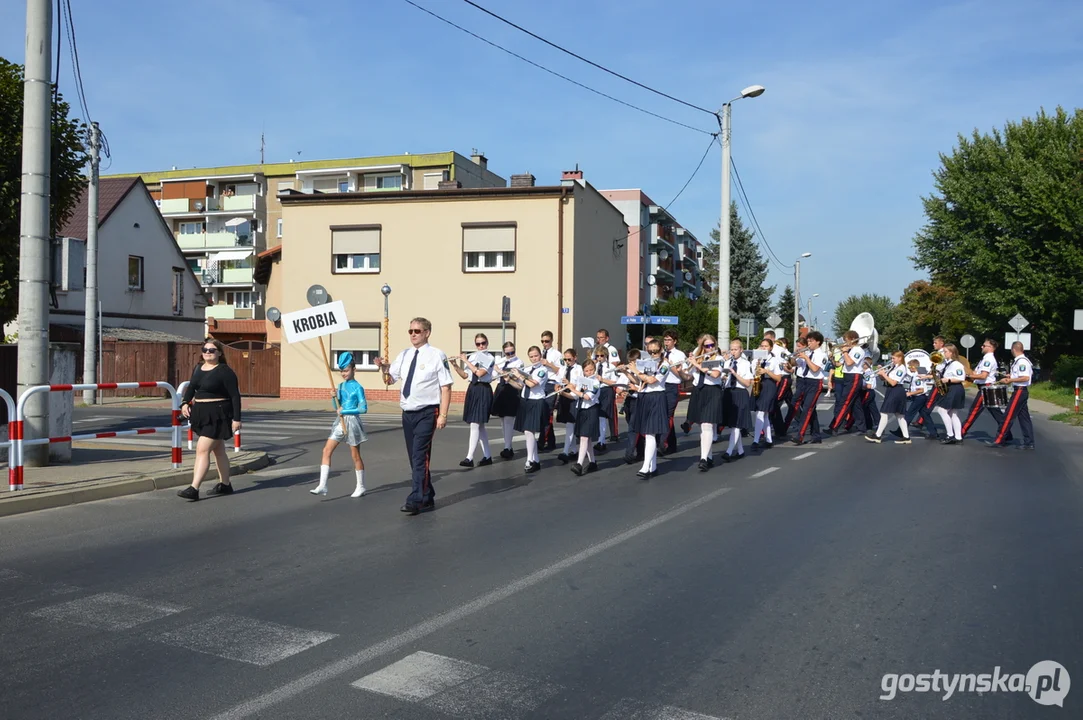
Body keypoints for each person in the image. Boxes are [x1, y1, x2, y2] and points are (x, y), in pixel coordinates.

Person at [378, 317, 453, 515]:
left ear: (427, 333)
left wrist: (443, 415)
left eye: (417, 331)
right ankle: (427, 494)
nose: (413, 334)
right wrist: (383, 368)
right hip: (408, 413)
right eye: (410, 331)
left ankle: (415, 499)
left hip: (427, 412)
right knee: (414, 458)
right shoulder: (404, 355)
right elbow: (390, 379)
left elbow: (446, 387)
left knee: (420, 456)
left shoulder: (437, 355)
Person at [177, 338, 242, 500]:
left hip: (218, 414)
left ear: (219, 353)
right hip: (201, 413)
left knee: (202, 449)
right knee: (218, 451)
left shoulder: (225, 371)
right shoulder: (198, 368)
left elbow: (235, 396)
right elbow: (191, 387)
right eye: (205, 349)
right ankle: (225, 485)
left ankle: (194, 488)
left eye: (212, 350)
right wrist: (184, 403)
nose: (207, 352)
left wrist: (236, 419)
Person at [311, 352, 369, 497]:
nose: (344, 373)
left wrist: (346, 410)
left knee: (355, 455)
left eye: (346, 370)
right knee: (326, 450)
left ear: (354, 370)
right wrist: (334, 397)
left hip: (353, 422)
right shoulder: (341, 386)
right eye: (342, 370)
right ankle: (323, 485)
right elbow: (337, 406)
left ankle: (360, 486)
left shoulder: (358, 388)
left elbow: (363, 408)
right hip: (340, 421)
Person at [627, 339, 671, 479]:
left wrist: (636, 371)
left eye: (655, 351)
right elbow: (639, 381)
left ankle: (646, 466)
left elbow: (652, 380)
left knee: (650, 432)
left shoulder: (664, 364)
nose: (653, 354)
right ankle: (653, 466)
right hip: (644, 397)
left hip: (656, 396)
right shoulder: (645, 363)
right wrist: (628, 372)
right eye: (650, 352)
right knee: (647, 432)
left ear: (661, 350)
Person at [453, 333, 496, 468]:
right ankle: (487, 456)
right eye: (478, 344)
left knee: (475, 424)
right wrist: (455, 365)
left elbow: (479, 373)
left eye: (483, 343)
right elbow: (466, 375)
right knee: (480, 425)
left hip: (483, 389)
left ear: (487, 343)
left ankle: (469, 457)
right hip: (473, 388)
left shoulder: (489, 357)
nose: (481, 346)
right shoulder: (473, 356)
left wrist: (465, 360)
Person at [683, 334, 725, 470]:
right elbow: (688, 376)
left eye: (712, 345)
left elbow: (715, 374)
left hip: (712, 391)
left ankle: (703, 458)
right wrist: (679, 370)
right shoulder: (699, 357)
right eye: (707, 346)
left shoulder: (719, 358)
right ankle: (709, 457)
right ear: (702, 347)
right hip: (699, 391)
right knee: (704, 426)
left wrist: (697, 364)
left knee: (707, 424)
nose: (710, 348)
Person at [961, 338, 1011, 441]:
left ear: (990, 347)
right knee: (996, 412)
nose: (982, 347)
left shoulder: (988, 359)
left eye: (984, 345)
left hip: (986, 389)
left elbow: (983, 376)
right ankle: (1007, 433)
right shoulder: (985, 359)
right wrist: (969, 374)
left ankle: (961, 432)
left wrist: (970, 376)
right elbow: (977, 373)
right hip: (987, 388)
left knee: (974, 411)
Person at [988, 342, 1034, 449]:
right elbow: (1020, 375)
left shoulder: (1022, 362)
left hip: (1019, 391)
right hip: (1021, 390)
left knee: (1008, 415)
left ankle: (999, 439)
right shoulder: (1020, 361)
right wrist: (1011, 376)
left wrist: (1010, 380)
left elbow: (1025, 377)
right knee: (1024, 418)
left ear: (1014, 349)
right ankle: (1029, 442)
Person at [513, 345, 550, 473]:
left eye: (536, 356)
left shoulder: (543, 370)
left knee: (529, 431)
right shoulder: (527, 369)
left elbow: (532, 384)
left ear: (540, 356)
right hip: (525, 401)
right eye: (531, 356)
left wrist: (520, 375)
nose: (534, 358)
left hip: (536, 401)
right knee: (528, 432)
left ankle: (529, 460)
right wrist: (509, 379)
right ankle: (536, 460)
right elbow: (521, 386)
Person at [566, 359, 601, 475]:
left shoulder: (596, 382)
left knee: (584, 437)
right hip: (581, 409)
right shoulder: (582, 381)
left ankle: (579, 463)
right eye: (586, 370)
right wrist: (565, 391)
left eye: (591, 370)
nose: (589, 372)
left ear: (594, 370)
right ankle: (592, 462)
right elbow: (575, 396)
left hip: (591, 410)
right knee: (587, 438)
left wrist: (574, 390)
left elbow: (587, 397)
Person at [866, 351, 911, 444]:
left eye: (894, 358)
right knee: (899, 415)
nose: (892, 360)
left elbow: (894, 382)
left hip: (896, 390)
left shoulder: (901, 368)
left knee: (884, 412)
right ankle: (906, 437)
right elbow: (886, 380)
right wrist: (881, 374)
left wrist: (884, 374)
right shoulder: (894, 367)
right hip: (891, 390)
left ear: (900, 358)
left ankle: (878, 435)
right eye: (891, 358)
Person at [790, 331, 826, 445]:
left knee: (807, 409)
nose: (809, 343)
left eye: (811, 341)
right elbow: (794, 364)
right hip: (803, 381)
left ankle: (800, 436)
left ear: (818, 342)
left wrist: (806, 358)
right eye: (808, 341)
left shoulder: (821, 355)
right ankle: (816, 435)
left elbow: (815, 369)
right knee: (800, 405)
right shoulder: (807, 353)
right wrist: (793, 357)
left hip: (814, 383)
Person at [828, 331, 867, 435]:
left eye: (846, 340)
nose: (845, 342)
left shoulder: (858, 350)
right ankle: (862, 427)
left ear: (852, 339)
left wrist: (845, 352)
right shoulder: (850, 350)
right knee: (855, 404)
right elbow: (839, 364)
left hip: (854, 377)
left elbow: (850, 362)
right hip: (847, 376)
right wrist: (832, 357)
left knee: (844, 402)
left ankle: (834, 426)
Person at [490, 342, 523, 459]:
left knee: (509, 419)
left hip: (512, 390)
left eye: (512, 352)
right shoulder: (501, 361)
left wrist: (500, 371)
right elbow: (493, 375)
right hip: (501, 389)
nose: (510, 355)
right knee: (502, 419)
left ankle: (508, 447)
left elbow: (515, 376)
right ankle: (506, 445)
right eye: (508, 353)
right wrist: (496, 370)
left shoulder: (519, 362)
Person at [722, 339, 753, 460]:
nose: (733, 352)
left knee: (737, 424)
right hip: (729, 393)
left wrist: (734, 374)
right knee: (734, 424)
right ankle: (740, 450)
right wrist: (724, 376)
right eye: (732, 349)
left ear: (741, 350)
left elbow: (747, 383)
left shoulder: (745, 364)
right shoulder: (727, 362)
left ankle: (729, 451)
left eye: (735, 349)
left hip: (740, 393)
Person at [751, 338, 784, 449]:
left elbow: (779, 378)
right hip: (758, 384)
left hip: (769, 385)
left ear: (770, 348)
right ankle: (769, 439)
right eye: (762, 346)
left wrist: (767, 371)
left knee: (761, 412)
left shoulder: (774, 360)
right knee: (763, 414)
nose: (764, 348)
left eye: (766, 346)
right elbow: (753, 372)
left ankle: (755, 440)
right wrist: (756, 364)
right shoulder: (756, 359)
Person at [933, 344, 967, 445]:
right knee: (953, 413)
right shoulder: (947, 363)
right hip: (950, 388)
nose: (943, 354)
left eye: (945, 352)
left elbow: (961, 378)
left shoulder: (957, 364)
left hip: (954, 388)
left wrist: (947, 379)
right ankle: (958, 437)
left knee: (942, 410)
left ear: (951, 353)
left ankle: (950, 435)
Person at [660, 330, 686, 454]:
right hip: (662, 385)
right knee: (662, 414)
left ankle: (663, 442)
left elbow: (681, 375)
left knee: (668, 415)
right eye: (665, 340)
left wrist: (669, 364)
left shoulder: (679, 355)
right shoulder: (662, 353)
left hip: (673, 386)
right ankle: (672, 444)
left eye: (669, 340)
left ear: (674, 341)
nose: (666, 342)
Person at [594, 328, 622, 444]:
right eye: (598, 338)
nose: (599, 340)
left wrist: (604, 375)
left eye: (601, 338)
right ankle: (600, 438)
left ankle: (614, 433)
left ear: (607, 338)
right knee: (599, 413)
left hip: (608, 384)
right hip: (597, 387)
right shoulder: (595, 349)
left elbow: (615, 364)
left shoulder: (611, 349)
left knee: (610, 411)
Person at [555, 348, 583, 464]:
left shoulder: (579, 369)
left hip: (573, 397)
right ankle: (573, 450)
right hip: (564, 397)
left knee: (570, 425)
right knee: (569, 424)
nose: (567, 361)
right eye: (565, 359)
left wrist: (568, 383)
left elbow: (579, 385)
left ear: (575, 358)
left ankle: (566, 451)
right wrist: (557, 387)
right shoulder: (563, 368)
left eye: (569, 359)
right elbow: (557, 381)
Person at [539, 331, 563, 452]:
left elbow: (560, 370)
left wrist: (548, 364)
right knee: (543, 412)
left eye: (547, 341)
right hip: (542, 383)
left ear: (552, 341)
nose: (544, 344)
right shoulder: (541, 353)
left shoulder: (556, 354)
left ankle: (542, 441)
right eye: (542, 341)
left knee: (548, 413)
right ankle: (551, 441)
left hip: (552, 383)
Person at [904, 358, 938, 440]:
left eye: (909, 367)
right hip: (920, 397)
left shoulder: (917, 376)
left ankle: (902, 432)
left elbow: (921, 390)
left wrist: (909, 393)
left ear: (913, 367)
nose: (909, 369)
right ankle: (933, 433)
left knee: (909, 414)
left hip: (919, 397)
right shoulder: (915, 375)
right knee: (925, 415)